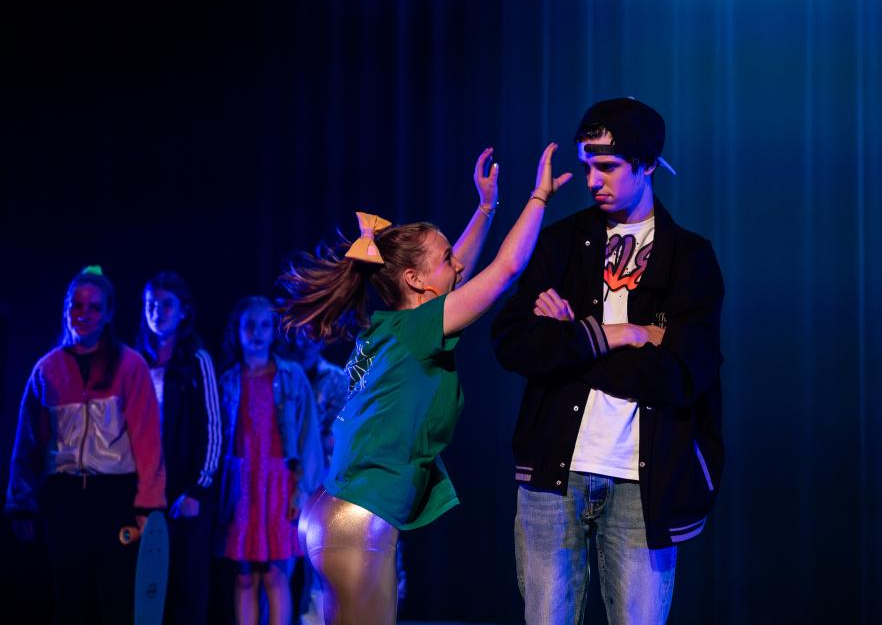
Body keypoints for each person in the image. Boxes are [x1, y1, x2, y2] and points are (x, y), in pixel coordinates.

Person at [278, 143, 569, 624]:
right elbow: (504, 271)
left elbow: (454, 276)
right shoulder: (416, 331)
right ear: (413, 279)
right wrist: (539, 197)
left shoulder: (389, 329)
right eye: (447, 257)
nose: (458, 265)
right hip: (356, 519)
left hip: (334, 514)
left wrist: (486, 208)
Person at [491, 98, 726, 624]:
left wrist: (573, 338)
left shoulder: (690, 259)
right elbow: (510, 341)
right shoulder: (560, 244)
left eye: (608, 166)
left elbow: (683, 376)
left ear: (647, 164)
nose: (593, 180)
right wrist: (622, 336)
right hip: (554, 473)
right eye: (587, 166)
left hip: (644, 483)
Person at [6, 266, 166, 625]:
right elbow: (27, 444)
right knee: (69, 600)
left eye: (94, 307)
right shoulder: (47, 369)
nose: (84, 313)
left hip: (115, 497)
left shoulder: (130, 365)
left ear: (109, 313)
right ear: (66, 309)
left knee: (116, 599)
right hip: (64, 500)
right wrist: (21, 505)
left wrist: (149, 505)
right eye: (76, 305)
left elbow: (148, 441)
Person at [219, 295, 323, 625]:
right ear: (237, 330)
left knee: (275, 575)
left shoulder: (291, 376)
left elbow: (308, 437)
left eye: (265, 325)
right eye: (250, 325)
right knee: (244, 577)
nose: (257, 333)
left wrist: (302, 490)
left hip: (279, 484)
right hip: (242, 487)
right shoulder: (229, 380)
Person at [136, 271, 222, 625]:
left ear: (184, 310)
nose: (157, 312)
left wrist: (197, 490)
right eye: (151, 305)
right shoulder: (136, 361)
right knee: (147, 592)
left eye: (166, 305)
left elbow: (213, 429)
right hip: (145, 492)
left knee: (187, 591)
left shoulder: (197, 360)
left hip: (185, 494)